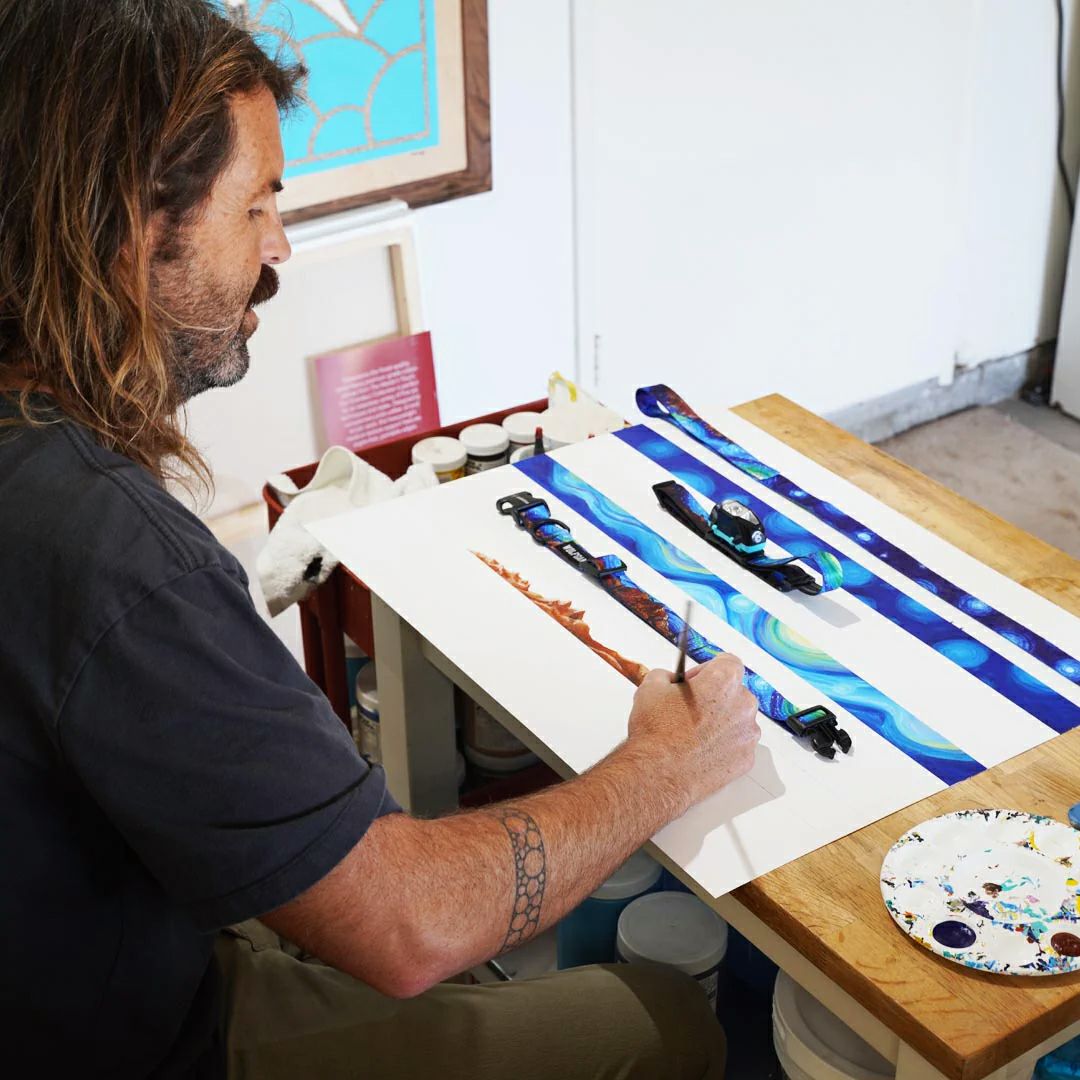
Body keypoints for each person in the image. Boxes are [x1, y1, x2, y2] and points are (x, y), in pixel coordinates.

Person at [0, 2, 762, 1077]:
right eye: (255, 205)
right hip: (137, 1037)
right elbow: (411, 927)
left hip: (75, 945)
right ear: (126, 224)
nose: (278, 248)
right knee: (660, 1022)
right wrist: (662, 764)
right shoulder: (109, 551)